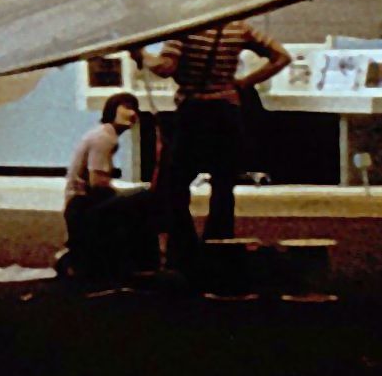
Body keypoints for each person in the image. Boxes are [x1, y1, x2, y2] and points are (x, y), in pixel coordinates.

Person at [131, 20, 291, 271]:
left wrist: (141, 54)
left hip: (193, 112)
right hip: (228, 113)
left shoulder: (185, 29)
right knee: (224, 185)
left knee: (176, 184)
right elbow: (281, 57)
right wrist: (244, 82)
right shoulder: (240, 28)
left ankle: (183, 250)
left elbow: (165, 67)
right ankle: (220, 248)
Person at [60, 91, 155, 279]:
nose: (132, 113)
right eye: (127, 107)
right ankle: (144, 263)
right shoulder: (105, 138)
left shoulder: (103, 135)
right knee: (145, 197)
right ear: (112, 109)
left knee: (138, 197)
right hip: (82, 206)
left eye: (135, 108)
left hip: (81, 204)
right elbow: (98, 184)